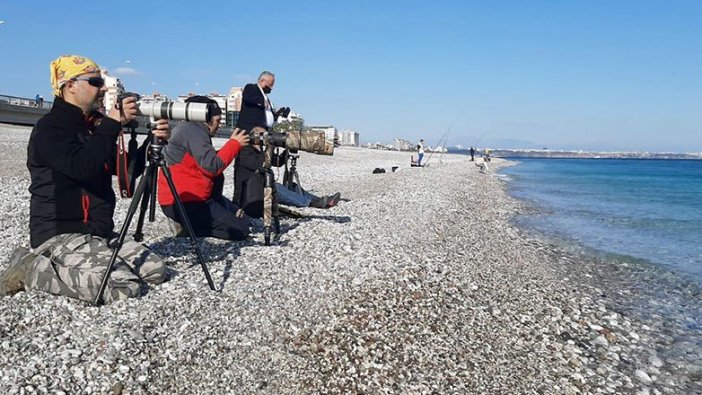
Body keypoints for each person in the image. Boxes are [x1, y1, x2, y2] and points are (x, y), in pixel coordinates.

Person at [0, 55, 170, 303]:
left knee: (156, 270)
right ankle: (29, 268)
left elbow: (120, 167)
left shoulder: (94, 126)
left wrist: (150, 144)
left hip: (99, 232)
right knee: (122, 287)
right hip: (60, 234)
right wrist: (112, 123)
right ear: (69, 85)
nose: (102, 88)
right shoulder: (50, 128)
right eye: (95, 81)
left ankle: (92, 260)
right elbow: (82, 167)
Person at [158, 95, 251, 241]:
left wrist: (232, 143)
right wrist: (234, 144)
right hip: (186, 202)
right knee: (241, 230)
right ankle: (187, 228)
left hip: (190, 198)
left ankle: (189, 224)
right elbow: (212, 167)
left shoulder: (189, 128)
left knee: (244, 217)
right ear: (206, 118)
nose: (219, 125)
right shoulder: (192, 130)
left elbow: (207, 162)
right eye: (218, 121)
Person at [234, 128, 340, 218]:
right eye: (265, 135)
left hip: (260, 188)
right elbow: (261, 164)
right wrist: (270, 147)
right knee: (276, 187)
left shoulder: (260, 150)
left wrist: (287, 148)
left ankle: (319, 200)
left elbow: (278, 162)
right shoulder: (244, 151)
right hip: (249, 195)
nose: (267, 138)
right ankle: (309, 203)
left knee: (291, 186)